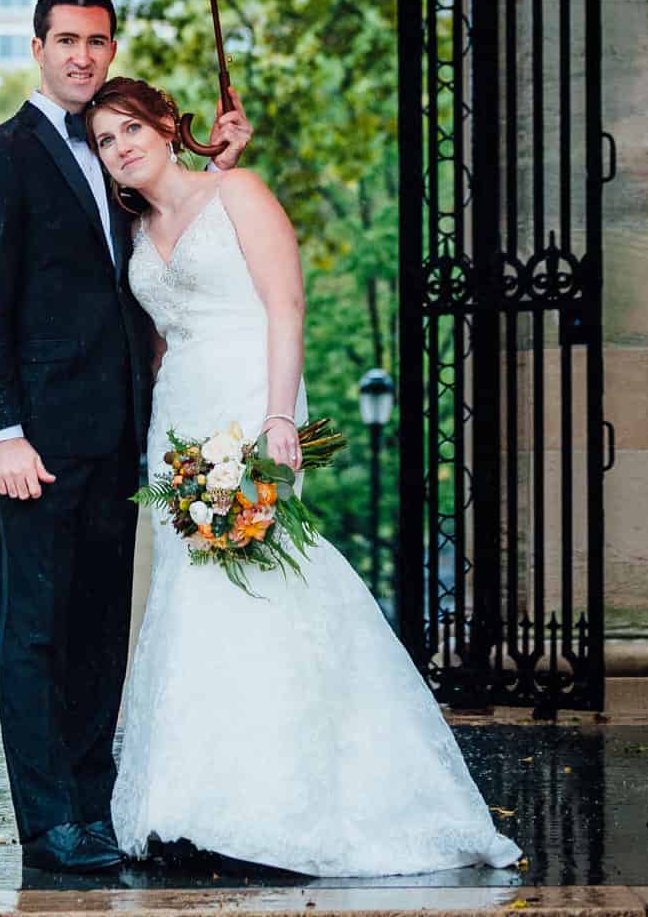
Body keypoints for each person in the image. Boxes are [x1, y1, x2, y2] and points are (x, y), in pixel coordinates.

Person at [86, 76, 523, 879]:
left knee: (265, 581)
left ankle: (278, 799)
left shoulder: (239, 192)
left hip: (252, 400)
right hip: (177, 416)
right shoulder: (138, 229)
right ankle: (193, 800)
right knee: (190, 600)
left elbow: (285, 306)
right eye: (106, 141)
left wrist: (279, 418)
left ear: (165, 124)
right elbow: (154, 343)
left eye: (130, 129)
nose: (121, 149)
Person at [0, 0, 252, 875]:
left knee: (94, 631)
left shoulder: (114, 153)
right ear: (37, 47)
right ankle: (49, 824)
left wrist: (221, 160)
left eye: (97, 40)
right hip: (35, 443)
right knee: (35, 631)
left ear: (111, 50)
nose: (82, 55)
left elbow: (180, 245)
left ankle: (93, 802)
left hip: (123, 436)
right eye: (67, 40)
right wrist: (1, 429)